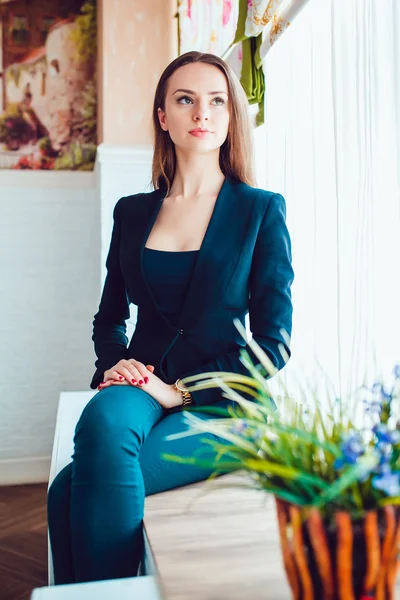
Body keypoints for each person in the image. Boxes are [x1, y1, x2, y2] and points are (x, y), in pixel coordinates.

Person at [47, 51, 294, 585]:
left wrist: (179, 392)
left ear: (230, 118)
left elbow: (273, 344)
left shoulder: (260, 210)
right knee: (103, 422)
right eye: (185, 100)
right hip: (142, 383)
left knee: (68, 489)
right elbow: (110, 317)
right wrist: (116, 367)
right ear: (164, 115)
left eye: (216, 101)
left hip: (226, 405)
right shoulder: (132, 212)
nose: (201, 113)